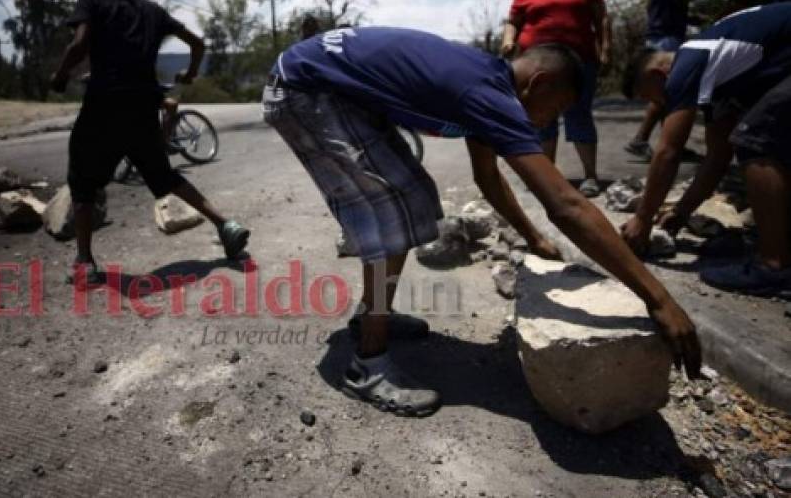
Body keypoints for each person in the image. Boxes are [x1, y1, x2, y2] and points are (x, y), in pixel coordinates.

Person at [264, 25, 700, 417]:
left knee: (414, 198)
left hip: (325, 83)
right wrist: (657, 297)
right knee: (390, 214)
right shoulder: (489, 94)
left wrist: (531, 237)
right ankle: (367, 365)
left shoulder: (484, 82)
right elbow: (566, 205)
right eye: (557, 107)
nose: (551, 121)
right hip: (306, 88)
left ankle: (371, 317)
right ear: (539, 83)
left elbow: (487, 176)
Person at [50, 0, 250, 281]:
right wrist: (189, 74)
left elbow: (80, 43)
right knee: (163, 174)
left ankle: (85, 261)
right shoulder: (153, 10)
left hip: (104, 103)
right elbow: (198, 43)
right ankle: (225, 224)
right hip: (144, 103)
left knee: (83, 181)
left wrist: (60, 75)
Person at [620, 2, 791, 297]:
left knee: (756, 140)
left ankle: (774, 268)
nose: (665, 106)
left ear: (660, 74)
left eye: (660, 99)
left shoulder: (689, 61)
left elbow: (668, 152)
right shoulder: (720, 73)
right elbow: (717, 157)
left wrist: (643, 218)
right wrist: (680, 213)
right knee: (764, 138)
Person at [501, 0, 611, 197]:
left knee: (579, 113)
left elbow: (602, 18)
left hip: (579, 60)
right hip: (539, 63)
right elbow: (514, 21)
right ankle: (547, 175)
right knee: (541, 117)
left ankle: (590, 176)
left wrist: (605, 49)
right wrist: (508, 41)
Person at [625, 0, 710, 160]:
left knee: (666, 91)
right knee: (667, 90)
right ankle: (650, 140)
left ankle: (666, 142)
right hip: (666, 36)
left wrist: (689, 20)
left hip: (660, 34)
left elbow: (668, 6)